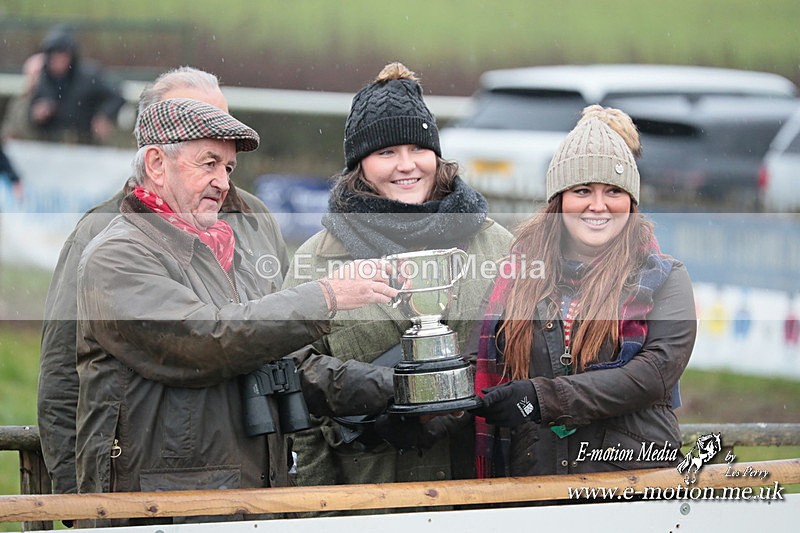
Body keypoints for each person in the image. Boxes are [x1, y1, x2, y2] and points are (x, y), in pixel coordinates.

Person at [38, 67, 397, 507]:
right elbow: (205, 338)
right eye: (208, 162)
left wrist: (397, 387)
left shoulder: (242, 227)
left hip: (246, 494)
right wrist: (73, 503)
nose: (223, 181)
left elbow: (276, 357)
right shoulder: (113, 251)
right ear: (155, 162)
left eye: (228, 165)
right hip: (161, 505)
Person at [282, 62, 513, 490]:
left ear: (436, 155)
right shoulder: (317, 258)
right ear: (360, 166)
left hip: (478, 485)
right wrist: (319, 500)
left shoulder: (495, 243)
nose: (406, 165)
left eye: (417, 148)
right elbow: (295, 376)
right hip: (368, 489)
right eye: (386, 152)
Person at [471, 105, 697, 477]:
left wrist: (540, 399)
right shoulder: (513, 276)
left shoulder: (667, 278)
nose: (598, 205)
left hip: (631, 484)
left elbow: (651, 376)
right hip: (534, 483)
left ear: (632, 201)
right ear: (559, 201)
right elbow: (472, 369)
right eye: (581, 190)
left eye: (613, 190)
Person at [27, 24, 125, 144]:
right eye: (54, 56)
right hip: (52, 146)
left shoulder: (89, 77)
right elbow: (30, 116)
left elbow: (116, 95)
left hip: (85, 143)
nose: (58, 61)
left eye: (62, 56)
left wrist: (104, 115)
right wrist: (37, 114)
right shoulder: (43, 80)